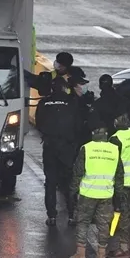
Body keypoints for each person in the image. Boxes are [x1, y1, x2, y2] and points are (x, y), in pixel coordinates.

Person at [70, 126, 123, 258]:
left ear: (93, 134)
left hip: (87, 194)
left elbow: (78, 172)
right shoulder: (114, 150)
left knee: (83, 222)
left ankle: (80, 255)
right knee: (104, 224)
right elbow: (119, 176)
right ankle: (101, 256)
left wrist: (72, 192)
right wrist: (119, 198)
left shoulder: (86, 148)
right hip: (106, 194)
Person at [35, 78, 82, 226]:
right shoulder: (72, 102)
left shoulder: (44, 103)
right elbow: (79, 125)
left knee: (50, 182)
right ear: (64, 88)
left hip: (50, 147)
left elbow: (39, 124)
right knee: (69, 182)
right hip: (67, 148)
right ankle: (71, 215)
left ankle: (52, 216)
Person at [107, 112, 130, 258]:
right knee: (127, 215)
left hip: (120, 184)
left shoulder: (116, 139)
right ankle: (123, 247)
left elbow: (112, 163)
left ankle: (122, 249)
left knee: (119, 215)